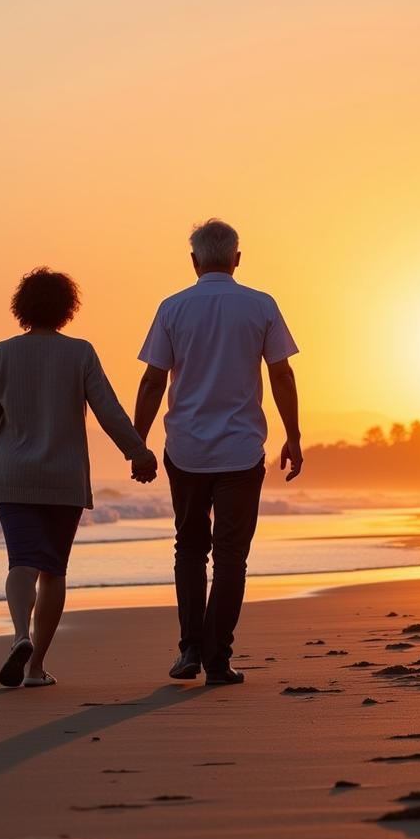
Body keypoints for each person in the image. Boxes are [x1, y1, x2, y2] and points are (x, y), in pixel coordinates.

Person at [0, 268, 158, 688]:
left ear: (23, 307)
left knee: (21, 562)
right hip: (63, 479)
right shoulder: (80, 353)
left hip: (14, 476)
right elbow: (108, 410)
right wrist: (137, 453)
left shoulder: (2, 353)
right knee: (53, 570)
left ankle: (19, 636)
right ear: (67, 309)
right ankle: (35, 669)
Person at [133, 219, 302, 686]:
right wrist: (294, 435)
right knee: (231, 557)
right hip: (241, 450)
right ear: (237, 259)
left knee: (189, 547)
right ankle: (217, 658)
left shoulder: (172, 308)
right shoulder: (260, 305)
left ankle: (190, 647)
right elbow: (281, 375)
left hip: (186, 448)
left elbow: (152, 380)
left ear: (193, 262)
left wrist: (137, 443)